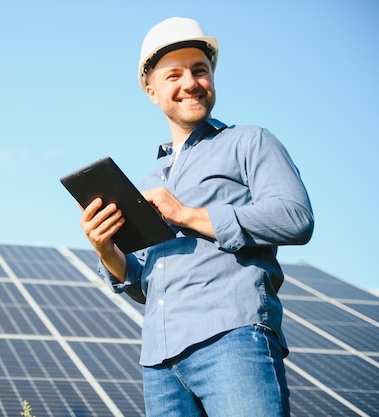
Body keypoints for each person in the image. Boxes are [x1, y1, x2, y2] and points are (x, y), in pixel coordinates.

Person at [79, 17, 314, 417]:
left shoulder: (249, 141)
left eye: (199, 70)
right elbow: (143, 284)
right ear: (152, 91)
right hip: (160, 364)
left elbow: (295, 218)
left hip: (233, 340)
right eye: (174, 75)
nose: (190, 82)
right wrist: (105, 249)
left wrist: (186, 214)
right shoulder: (148, 181)